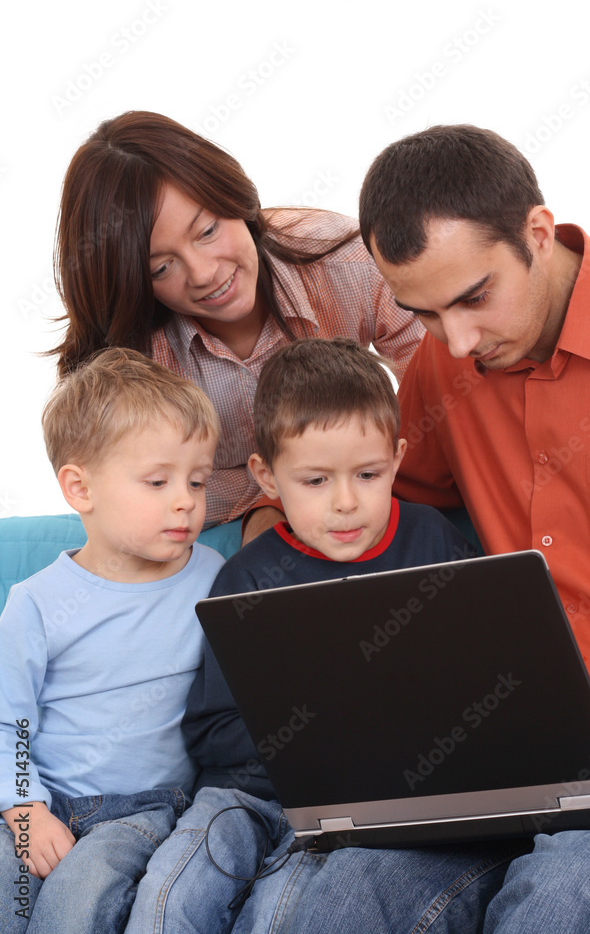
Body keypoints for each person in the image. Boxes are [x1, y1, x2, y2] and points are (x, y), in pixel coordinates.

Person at [354, 123, 590, 930]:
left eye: (472, 298)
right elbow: (384, 515)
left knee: (557, 905)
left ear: (536, 232)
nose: (454, 340)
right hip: (515, 743)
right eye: (421, 313)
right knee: (332, 896)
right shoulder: (447, 362)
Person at [125, 336, 476, 934]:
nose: (346, 503)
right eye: (314, 481)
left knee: (284, 915)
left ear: (396, 458)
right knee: (172, 898)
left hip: (380, 804)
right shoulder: (249, 577)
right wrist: (323, 744)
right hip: (252, 798)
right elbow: (212, 729)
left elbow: (482, 674)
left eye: (367, 474)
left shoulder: (431, 542)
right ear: (266, 474)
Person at [51, 111, 425, 536]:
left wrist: (279, 496)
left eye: (208, 231)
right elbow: (137, 498)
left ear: (237, 199)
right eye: (161, 268)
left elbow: (441, 405)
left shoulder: (346, 261)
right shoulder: (132, 356)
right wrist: (270, 498)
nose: (204, 273)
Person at [0, 348, 225, 934]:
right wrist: (26, 813)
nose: (186, 500)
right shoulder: (36, 603)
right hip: (39, 802)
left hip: (149, 808)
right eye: (158, 481)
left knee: (79, 902)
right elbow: (8, 725)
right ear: (80, 488)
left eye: (197, 481)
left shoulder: (211, 579)